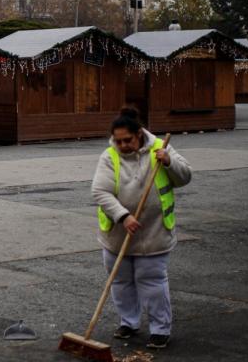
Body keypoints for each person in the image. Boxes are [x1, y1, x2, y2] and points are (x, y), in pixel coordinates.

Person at [91, 108, 192, 350]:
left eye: (128, 140)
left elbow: (185, 176)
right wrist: (122, 216)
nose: (123, 145)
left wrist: (169, 162)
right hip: (117, 234)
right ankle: (129, 322)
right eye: (118, 141)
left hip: (153, 233)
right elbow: (100, 192)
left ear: (139, 134)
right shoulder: (109, 156)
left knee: (152, 282)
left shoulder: (160, 147)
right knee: (121, 281)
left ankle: (160, 329)